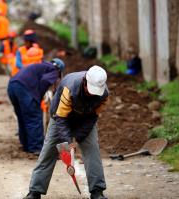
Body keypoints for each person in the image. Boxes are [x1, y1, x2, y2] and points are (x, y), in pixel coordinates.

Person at [24, 66, 110, 199]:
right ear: (85, 82)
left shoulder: (103, 95)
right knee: (48, 151)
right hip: (60, 116)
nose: (93, 94)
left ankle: (97, 191)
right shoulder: (70, 88)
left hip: (85, 119)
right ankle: (35, 192)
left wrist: (78, 138)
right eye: (90, 90)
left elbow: (93, 117)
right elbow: (62, 118)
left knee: (92, 150)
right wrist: (68, 142)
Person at [7, 58, 65, 154]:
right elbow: (45, 80)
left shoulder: (41, 66)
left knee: (22, 117)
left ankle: (26, 145)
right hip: (24, 88)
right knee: (34, 117)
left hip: (12, 86)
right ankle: (36, 147)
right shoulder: (53, 70)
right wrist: (39, 95)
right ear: (59, 70)